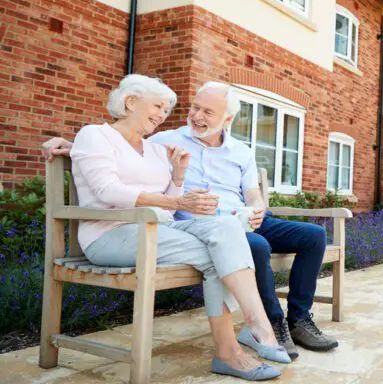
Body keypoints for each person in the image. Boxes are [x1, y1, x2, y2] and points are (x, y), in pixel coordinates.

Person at [43, 82, 338, 360]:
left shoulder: (241, 151)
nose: (196, 116)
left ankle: (299, 319)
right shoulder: (165, 139)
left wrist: (258, 208)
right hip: (203, 226)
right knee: (255, 246)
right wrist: (73, 146)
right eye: (194, 108)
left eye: (207, 112)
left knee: (313, 236)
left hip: (241, 219)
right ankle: (271, 323)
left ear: (228, 119)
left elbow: (252, 194)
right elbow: (120, 144)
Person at [68, 74, 289, 381]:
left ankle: (254, 328)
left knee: (226, 229)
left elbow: (168, 204)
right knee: (221, 253)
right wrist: (179, 203)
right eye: (158, 106)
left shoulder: (156, 149)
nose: (163, 115)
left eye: (166, 110)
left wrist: (179, 177)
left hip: (157, 231)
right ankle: (241, 343)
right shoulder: (95, 135)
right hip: (109, 235)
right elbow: (108, 191)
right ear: (131, 102)